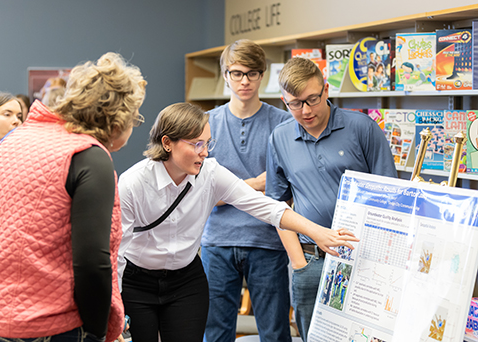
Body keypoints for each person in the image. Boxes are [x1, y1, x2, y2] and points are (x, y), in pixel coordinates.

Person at [0, 52, 146, 342]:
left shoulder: (15, 139)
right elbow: (92, 262)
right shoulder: (88, 156)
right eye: (135, 117)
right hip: (34, 325)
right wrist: (96, 332)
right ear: (118, 118)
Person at [118, 102, 358, 342]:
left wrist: (317, 232)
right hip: (137, 282)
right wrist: (114, 301)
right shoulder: (133, 183)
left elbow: (265, 207)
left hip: (185, 281)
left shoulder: (210, 173)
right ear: (167, 143)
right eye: (196, 144)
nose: (205, 152)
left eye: (208, 143)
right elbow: (116, 250)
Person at [265, 57, 397, 341]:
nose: (306, 110)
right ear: (283, 101)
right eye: (295, 104)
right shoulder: (279, 137)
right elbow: (276, 206)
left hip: (365, 261)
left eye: (313, 99)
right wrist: (298, 261)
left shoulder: (361, 128)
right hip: (310, 262)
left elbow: (390, 195)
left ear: (326, 90)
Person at [200, 39, 292, 342]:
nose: (245, 81)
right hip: (217, 242)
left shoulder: (284, 123)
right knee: (214, 333)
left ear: (262, 75)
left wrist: (227, 189)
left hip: (268, 241)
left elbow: (287, 187)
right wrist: (257, 184)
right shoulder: (206, 124)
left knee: (275, 333)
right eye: (237, 73)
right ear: (225, 75)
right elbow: (203, 193)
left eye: (252, 73)